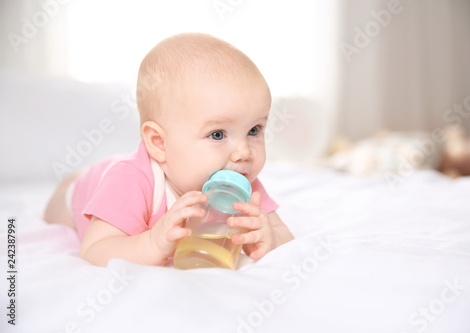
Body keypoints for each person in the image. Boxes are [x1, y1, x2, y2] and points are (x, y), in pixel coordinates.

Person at [44, 33, 294, 267]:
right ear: (159, 143)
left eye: (254, 130)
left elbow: (286, 235)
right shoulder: (129, 181)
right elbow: (95, 250)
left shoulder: (242, 185)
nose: (243, 152)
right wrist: (152, 243)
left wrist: (269, 235)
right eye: (217, 134)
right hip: (84, 190)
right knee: (55, 211)